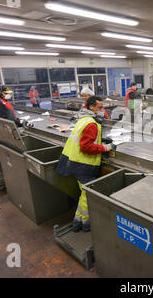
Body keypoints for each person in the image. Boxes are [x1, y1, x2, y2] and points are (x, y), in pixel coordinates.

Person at [55, 96, 114, 232]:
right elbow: (86, 147)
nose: (102, 110)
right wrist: (106, 147)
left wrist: (99, 140)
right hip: (83, 165)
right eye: (99, 107)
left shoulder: (83, 119)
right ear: (91, 108)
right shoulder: (92, 124)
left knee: (84, 194)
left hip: (73, 162)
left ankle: (77, 222)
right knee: (88, 195)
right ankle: (86, 224)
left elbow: (84, 138)